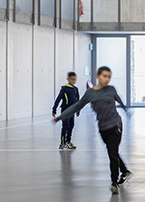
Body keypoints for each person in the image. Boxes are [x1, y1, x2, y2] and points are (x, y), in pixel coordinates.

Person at [54, 66, 132, 194]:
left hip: (115, 124)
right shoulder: (90, 93)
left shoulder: (111, 89)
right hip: (102, 127)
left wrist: (126, 110)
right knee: (112, 151)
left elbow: (119, 100)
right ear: (98, 76)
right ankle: (125, 171)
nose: (107, 79)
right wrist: (59, 118)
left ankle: (114, 182)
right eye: (104, 76)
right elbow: (75, 107)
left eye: (109, 77)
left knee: (112, 152)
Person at [52, 71, 80, 150]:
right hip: (65, 110)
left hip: (72, 111)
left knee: (71, 125)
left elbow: (78, 101)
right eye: (72, 79)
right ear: (68, 79)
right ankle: (62, 143)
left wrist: (78, 111)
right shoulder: (64, 89)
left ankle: (68, 141)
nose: (73, 81)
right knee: (65, 126)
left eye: (75, 79)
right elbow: (58, 99)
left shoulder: (75, 89)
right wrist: (54, 109)